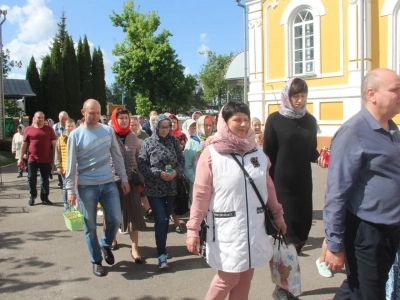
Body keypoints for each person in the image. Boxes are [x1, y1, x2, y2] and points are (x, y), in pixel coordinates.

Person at [186, 101, 286, 300]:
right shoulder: (211, 153)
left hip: (254, 227)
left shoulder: (257, 152)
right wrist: (193, 229)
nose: (243, 124)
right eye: (237, 120)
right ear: (224, 122)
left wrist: (278, 216)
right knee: (228, 278)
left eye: (246, 120)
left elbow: (268, 187)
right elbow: (200, 194)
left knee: (246, 277)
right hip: (226, 230)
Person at [323, 68, 400, 299]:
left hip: (390, 230)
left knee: (356, 289)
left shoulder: (392, 130)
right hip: (367, 232)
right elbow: (336, 193)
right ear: (372, 94)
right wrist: (334, 244)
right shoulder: (353, 132)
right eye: (395, 89)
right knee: (369, 293)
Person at [65, 99, 130, 277]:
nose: (94, 116)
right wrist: (70, 190)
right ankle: (96, 260)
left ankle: (105, 243)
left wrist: (124, 179)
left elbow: (117, 157)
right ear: (83, 112)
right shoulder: (75, 135)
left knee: (116, 219)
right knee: (90, 225)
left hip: (108, 183)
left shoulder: (108, 131)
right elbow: (70, 166)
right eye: (91, 112)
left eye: (97, 113)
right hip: (86, 187)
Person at [264, 78, 319, 254]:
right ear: (287, 96)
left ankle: (295, 250)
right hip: (281, 180)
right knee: (285, 222)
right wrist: (268, 181)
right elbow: (268, 153)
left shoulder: (310, 120)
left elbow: (312, 151)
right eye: (295, 96)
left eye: (303, 96)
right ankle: (285, 263)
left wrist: (323, 158)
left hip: (303, 180)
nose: (300, 100)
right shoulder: (274, 119)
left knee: (303, 220)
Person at [138, 114, 185, 269]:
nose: (165, 130)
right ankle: (161, 255)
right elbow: (142, 165)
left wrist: (175, 173)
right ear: (156, 127)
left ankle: (162, 247)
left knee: (165, 219)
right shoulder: (148, 143)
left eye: (167, 127)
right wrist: (158, 173)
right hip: (154, 188)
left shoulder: (174, 142)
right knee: (160, 219)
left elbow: (181, 162)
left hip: (171, 188)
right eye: (162, 127)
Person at [110, 108, 147, 263]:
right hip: (112, 181)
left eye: (126, 117)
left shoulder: (133, 137)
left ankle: (135, 249)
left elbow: (138, 157)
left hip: (131, 181)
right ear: (115, 119)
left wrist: (140, 177)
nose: (124, 121)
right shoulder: (109, 135)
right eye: (121, 118)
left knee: (134, 215)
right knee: (111, 214)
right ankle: (111, 239)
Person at [18, 112, 57, 206]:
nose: (41, 119)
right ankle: (32, 196)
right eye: (39, 118)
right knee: (31, 178)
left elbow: (55, 145)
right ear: (34, 119)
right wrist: (20, 158)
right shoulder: (28, 129)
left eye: (43, 118)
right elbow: (24, 145)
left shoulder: (49, 129)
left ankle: (44, 198)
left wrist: (56, 159)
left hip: (46, 159)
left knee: (45, 180)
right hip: (32, 159)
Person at [183, 115, 214, 208]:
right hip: (198, 184)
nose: (208, 128)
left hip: (214, 183)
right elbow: (187, 166)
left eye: (210, 125)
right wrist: (196, 180)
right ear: (199, 126)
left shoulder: (215, 140)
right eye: (205, 125)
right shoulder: (192, 142)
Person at [130, 116, 152, 218]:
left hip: (142, 166)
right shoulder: (126, 136)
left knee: (142, 189)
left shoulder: (144, 135)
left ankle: (147, 209)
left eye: (135, 125)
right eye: (131, 125)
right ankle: (144, 209)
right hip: (130, 167)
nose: (133, 127)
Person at [54, 118, 76, 212]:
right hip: (65, 167)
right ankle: (66, 206)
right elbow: (57, 153)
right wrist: (58, 166)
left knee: (76, 188)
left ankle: (75, 206)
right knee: (65, 187)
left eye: (71, 126)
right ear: (65, 127)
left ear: (75, 126)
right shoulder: (61, 138)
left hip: (77, 168)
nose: (70, 128)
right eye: (68, 126)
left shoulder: (78, 137)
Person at [53, 111, 69, 187]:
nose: (64, 120)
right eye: (62, 119)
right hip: (58, 149)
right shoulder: (55, 127)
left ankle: (62, 182)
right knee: (59, 167)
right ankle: (61, 181)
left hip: (67, 151)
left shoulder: (69, 126)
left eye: (66, 118)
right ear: (59, 119)